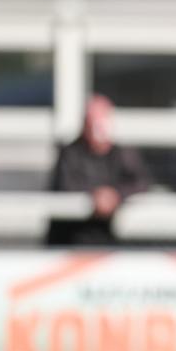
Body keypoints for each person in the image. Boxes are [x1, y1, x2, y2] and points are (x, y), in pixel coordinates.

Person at [47, 95, 150, 245]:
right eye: (94, 123)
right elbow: (66, 185)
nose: (99, 129)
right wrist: (95, 196)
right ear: (85, 125)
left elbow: (141, 181)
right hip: (70, 238)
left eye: (102, 123)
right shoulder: (70, 153)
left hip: (107, 238)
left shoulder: (120, 154)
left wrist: (115, 195)